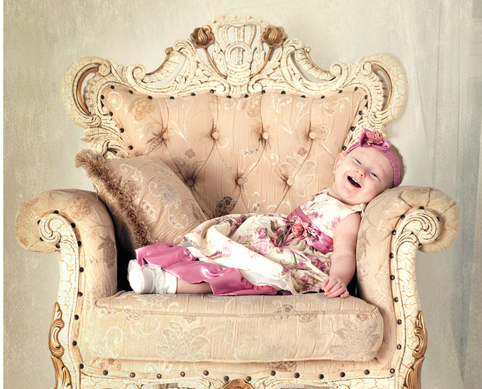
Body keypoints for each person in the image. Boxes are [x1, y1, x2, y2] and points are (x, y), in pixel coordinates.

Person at [127, 128, 404, 299]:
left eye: (374, 175)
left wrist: (339, 279)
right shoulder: (325, 194)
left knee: (245, 275)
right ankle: (158, 263)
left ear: (379, 194)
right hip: (275, 238)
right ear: (338, 163)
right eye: (357, 162)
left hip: (293, 261)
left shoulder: (350, 217)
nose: (361, 172)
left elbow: (343, 255)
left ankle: (163, 283)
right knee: (222, 245)